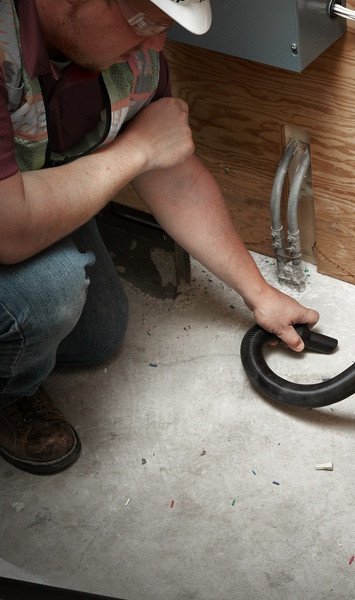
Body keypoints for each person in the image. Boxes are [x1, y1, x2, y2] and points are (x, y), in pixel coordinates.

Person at [0, 0, 320, 475]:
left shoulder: (132, 60)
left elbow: (176, 180)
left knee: (98, 334)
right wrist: (138, 151)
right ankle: (9, 395)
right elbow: (10, 229)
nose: (157, 41)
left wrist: (260, 294)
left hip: (19, 192)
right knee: (50, 294)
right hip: (8, 217)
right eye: (145, 22)